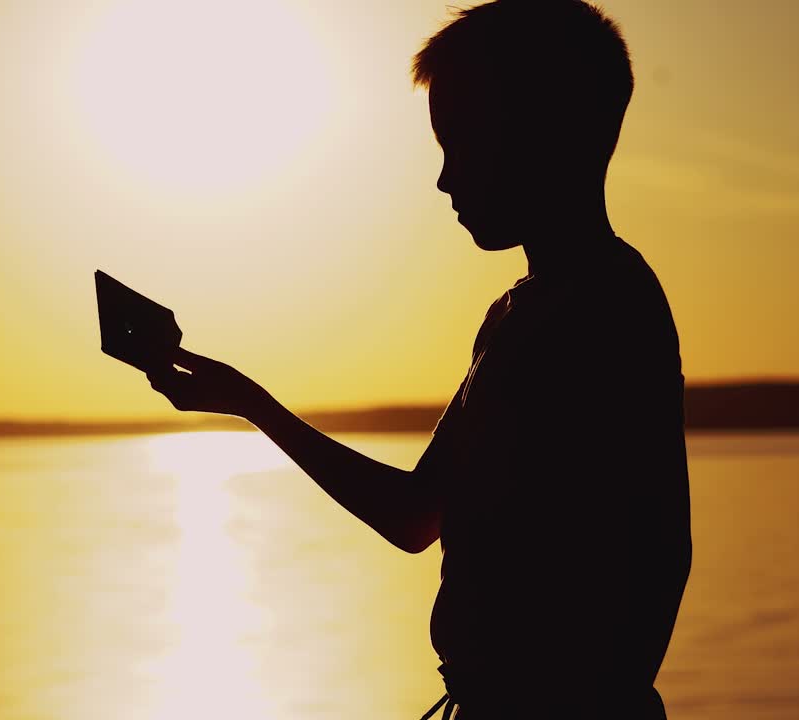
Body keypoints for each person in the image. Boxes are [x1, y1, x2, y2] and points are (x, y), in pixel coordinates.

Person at [144, 1, 692, 716]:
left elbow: (656, 556)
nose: (444, 179)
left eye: (460, 143)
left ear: (540, 136)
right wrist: (250, 403)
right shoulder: (517, 315)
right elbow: (416, 516)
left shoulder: (606, 308)